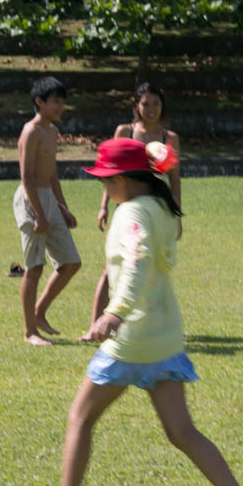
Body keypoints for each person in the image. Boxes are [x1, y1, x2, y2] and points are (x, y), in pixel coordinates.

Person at [16, 138, 243, 486]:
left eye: (106, 179)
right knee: (183, 432)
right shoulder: (159, 207)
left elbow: (136, 263)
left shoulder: (133, 214)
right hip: (165, 336)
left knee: (80, 418)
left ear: (124, 178)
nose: (103, 186)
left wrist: (114, 312)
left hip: (132, 340)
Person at [79, 82, 181, 343]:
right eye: (145, 104)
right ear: (136, 105)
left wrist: (177, 215)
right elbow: (111, 174)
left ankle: (128, 322)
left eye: (156, 104)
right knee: (112, 268)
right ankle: (96, 325)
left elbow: (175, 179)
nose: (151, 109)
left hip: (156, 207)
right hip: (126, 203)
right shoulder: (125, 131)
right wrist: (103, 206)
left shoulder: (169, 138)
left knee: (144, 264)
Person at [12, 76, 82, 346]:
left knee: (71, 262)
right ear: (39, 102)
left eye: (63, 102)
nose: (60, 106)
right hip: (30, 201)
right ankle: (30, 332)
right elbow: (27, 177)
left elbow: (52, 174)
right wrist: (39, 214)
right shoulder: (30, 132)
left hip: (48, 200)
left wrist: (62, 208)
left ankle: (39, 312)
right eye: (56, 101)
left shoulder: (52, 132)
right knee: (34, 268)